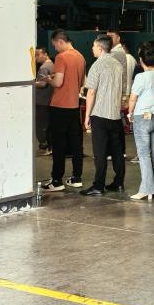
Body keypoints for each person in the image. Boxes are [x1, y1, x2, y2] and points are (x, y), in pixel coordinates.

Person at [81, 34, 127, 196]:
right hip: (115, 115)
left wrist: (87, 116)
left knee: (100, 152)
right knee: (117, 151)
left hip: (100, 114)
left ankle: (98, 186)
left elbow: (91, 92)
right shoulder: (118, 65)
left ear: (100, 48)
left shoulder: (97, 65)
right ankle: (119, 182)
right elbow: (122, 88)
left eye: (94, 46)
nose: (92, 49)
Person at [42, 30, 85, 192]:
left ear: (60, 41)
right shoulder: (80, 57)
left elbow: (58, 83)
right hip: (74, 106)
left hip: (60, 106)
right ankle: (76, 177)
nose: (55, 49)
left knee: (58, 144)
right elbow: (81, 81)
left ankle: (57, 180)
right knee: (76, 144)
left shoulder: (61, 57)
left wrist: (49, 79)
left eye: (55, 45)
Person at [127, 43, 154, 200]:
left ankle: (147, 189)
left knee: (144, 154)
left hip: (142, 118)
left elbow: (133, 98)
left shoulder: (141, 77)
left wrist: (129, 113)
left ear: (141, 60)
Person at [34, 46, 54, 154]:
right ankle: (49, 146)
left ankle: (44, 147)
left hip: (42, 101)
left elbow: (42, 84)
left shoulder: (43, 68)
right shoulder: (52, 65)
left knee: (40, 125)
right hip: (49, 100)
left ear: (45, 54)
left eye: (38, 55)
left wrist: (31, 83)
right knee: (47, 125)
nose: (36, 57)